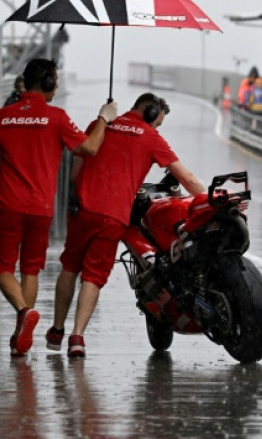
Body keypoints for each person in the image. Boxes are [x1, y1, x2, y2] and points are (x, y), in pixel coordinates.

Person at [0, 58, 117, 358]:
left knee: (0, 266)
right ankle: (20, 336)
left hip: (8, 204)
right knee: (30, 269)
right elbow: (89, 149)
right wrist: (104, 118)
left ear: (25, 82)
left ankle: (24, 314)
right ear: (49, 83)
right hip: (40, 208)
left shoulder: (1, 117)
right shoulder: (58, 118)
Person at [46, 92, 206, 358]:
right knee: (94, 277)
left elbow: (75, 174)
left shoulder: (100, 127)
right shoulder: (150, 137)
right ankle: (77, 338)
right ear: (152, 113)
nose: (157, 128)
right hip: (113, 216)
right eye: (158, 122)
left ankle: (56, 331)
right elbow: (186, 178)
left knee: (70, 266)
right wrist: (206, 199)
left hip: (82, 210)